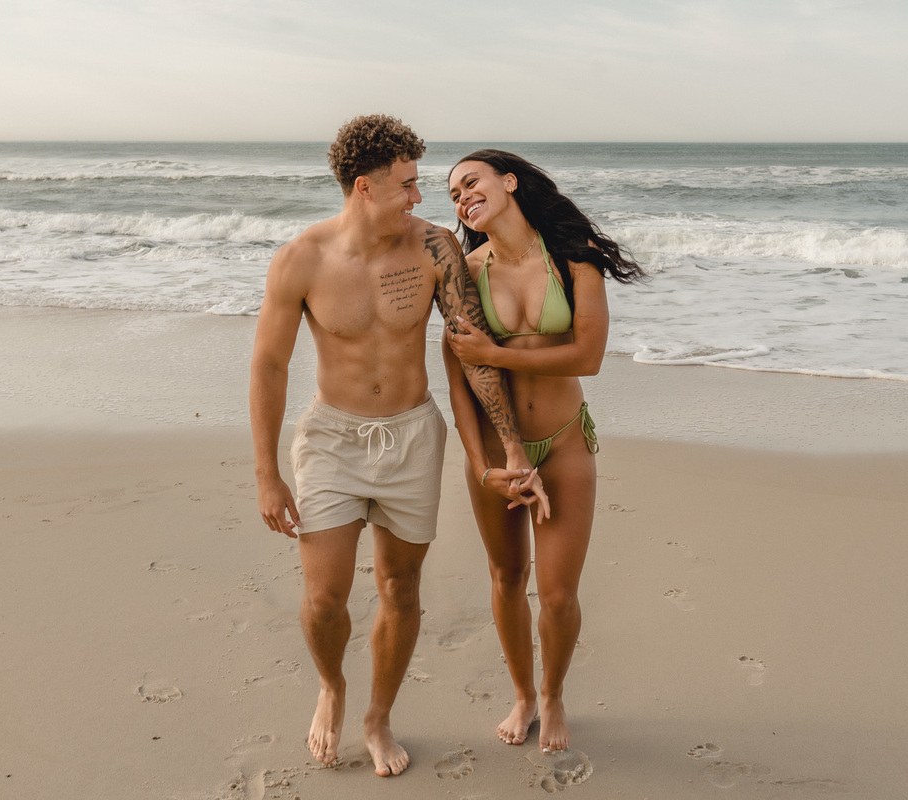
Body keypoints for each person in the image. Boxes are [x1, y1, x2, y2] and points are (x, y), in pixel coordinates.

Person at [250, 118, 548, 777]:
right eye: (408, 184)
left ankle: (378, 717)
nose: (421, 196)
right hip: (332, 439)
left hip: (413, 437)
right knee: (324, 598)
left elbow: (471, 351)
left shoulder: (435, 249)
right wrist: (267, 473)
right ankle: (332, 686)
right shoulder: (303, 258)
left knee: (400, 586)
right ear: (365, 187)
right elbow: (269, 367)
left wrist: (509, 447)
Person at [444, 149, 646, 753]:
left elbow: (588, 356)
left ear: (509, 182)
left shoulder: (573, 258)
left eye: (469, 182)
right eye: (452, 193)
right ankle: (523, 695)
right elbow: (457, 376)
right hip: (495, 448)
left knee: (557, 594)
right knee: (507, 576)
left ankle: (554, 695)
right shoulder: (466, 268)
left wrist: (499, 354)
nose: (460, 197)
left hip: (563, 443)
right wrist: (485, 466)